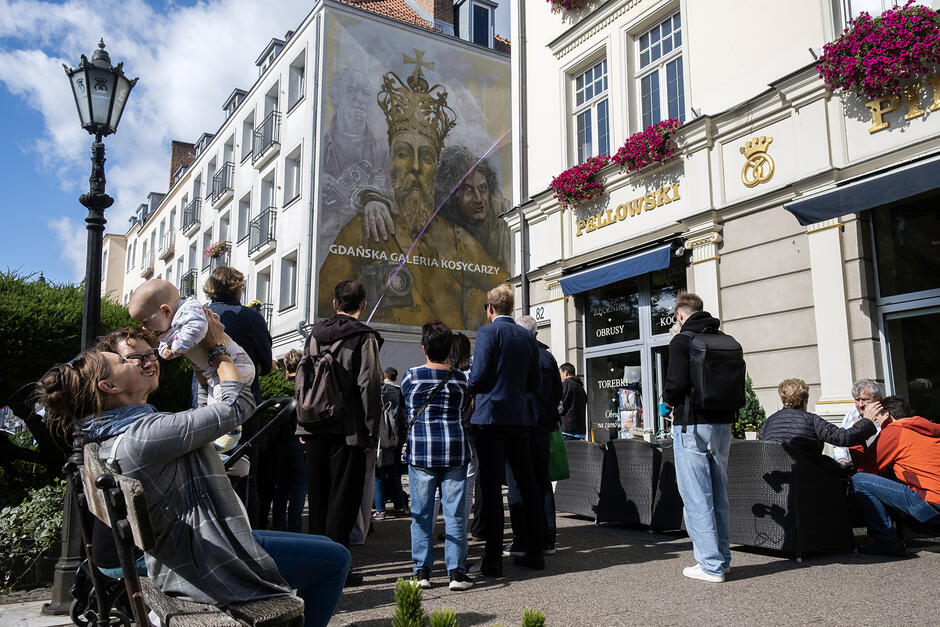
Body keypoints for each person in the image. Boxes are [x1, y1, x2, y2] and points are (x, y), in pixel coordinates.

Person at [36, 320, 349, 627]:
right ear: (110, 386)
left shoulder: (114, 433)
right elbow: (237, 405)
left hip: (182, 549)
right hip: (203, 561)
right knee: (336, 559)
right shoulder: (142, 436)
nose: (148, 361)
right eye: (124, 361)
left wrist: (203, 373)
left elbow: (196, 423)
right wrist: (215, 349)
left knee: (320, 547)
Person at [317, 54, 508, 330]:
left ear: (435, 169)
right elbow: (326, 305)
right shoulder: (362, 230)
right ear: (391, 165)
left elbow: (502, 284)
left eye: (427, 157)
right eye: (404, 154)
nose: (416, 167)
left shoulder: (457, 238)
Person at [301, 280, 383, 586]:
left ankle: (315, 565)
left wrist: (303, 424)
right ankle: (334, 569)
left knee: (318, 499)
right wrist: (370, 436)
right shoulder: (364, 338)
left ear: (335, 304)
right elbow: (369, 386)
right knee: (343, 502)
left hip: (315, 426)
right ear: (362, 305)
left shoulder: (314, 335)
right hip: (348, 431)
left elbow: (304, 381)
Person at [468, 284, 544, 576]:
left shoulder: (488, 332)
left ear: (490, 309)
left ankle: (493, 560)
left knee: (490, 488)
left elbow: (478, 375)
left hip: (491, 418)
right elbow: (534, 381)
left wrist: (476, 387)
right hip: (520, 418)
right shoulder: (526, 336)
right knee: (527, 485)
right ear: (510, 309)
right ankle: (535, 552)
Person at [662, 292, 733, 583]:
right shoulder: (724, 339)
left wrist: (667, 404)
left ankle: (710, 565)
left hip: (691, 425)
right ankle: (723, 559)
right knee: (719, 495)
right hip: (722, 425)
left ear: (680, 315)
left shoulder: (682, 340)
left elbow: (674, 387)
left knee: (696, 495)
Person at [401, 322, 473, 591]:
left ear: (424, 348)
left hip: (421, 449)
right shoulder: (459, 379)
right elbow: (464, 408)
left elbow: (403, 407)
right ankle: (456, 572)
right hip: (455, 448)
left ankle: (422, 572)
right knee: (454, 514)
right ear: (449, 350)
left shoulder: (411, 376)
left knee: (421, 512)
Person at [204, 266, 275, 528]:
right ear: (238, 288)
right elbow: (266, 366)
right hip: (243, 405)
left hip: (204, 404)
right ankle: (249, 538)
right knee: (246, 474)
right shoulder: (250, 318)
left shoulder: (199, 316)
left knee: (207, 472)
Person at [851, 396, 940, 557]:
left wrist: (858, 435)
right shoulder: (927, 429)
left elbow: (863, 469)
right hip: (935, 500)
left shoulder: (895, 431)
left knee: (860, 481)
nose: (877, 423)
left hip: (931, 505)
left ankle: (887, 542)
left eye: (877, 418)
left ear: (887, 415)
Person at [504, 315, 562, 557]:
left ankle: (522, 541)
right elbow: (557, 393)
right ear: (536, 333)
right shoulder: (548, 357)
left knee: (516, 483)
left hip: (519, 426)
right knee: (542, 482)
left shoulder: (516, 356)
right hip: (542, 429)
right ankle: (547, 539)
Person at [759, 378, 876, 469]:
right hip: (809, 482)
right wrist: (866, 421)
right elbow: (844, 438)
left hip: (777, 485)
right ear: (805, 400)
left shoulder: (768, 422)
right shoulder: (811, 420)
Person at [434, 145, 511, 270]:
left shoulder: (501, 214)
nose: (478, 199)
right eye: (468, 189)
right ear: (452, 195)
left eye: (482, 188)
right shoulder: (439, 217)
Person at [272, 349, 306, 533]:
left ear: (286, 365)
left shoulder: (279, 385)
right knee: (299, 486)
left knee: (282, 486)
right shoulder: (304, 386)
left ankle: (278, 523)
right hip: (299, 439)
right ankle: (295, 526)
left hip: (280, 440)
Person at [374, 367, 408, 519]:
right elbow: (402, 415)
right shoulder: (396, 392)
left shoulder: (371, 393)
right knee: (394, 474)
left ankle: (380, 510)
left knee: (377, 476)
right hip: (393, 438)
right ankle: (399, 506)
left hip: (376, 440)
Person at [832, 379, 883, 468]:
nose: (860, 404)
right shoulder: (851, 415)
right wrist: (842, 460)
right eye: (857, 400)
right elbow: (840, 442)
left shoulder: (884, 415)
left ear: (877, 399)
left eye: (865, 399)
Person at [559, 363, 587, 440]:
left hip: (567, 430)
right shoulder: (580, 387)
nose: (560, 376)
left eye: (561, 373)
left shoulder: (566, 384)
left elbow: (560, 405)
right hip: (580, 431)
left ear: (566, 372)